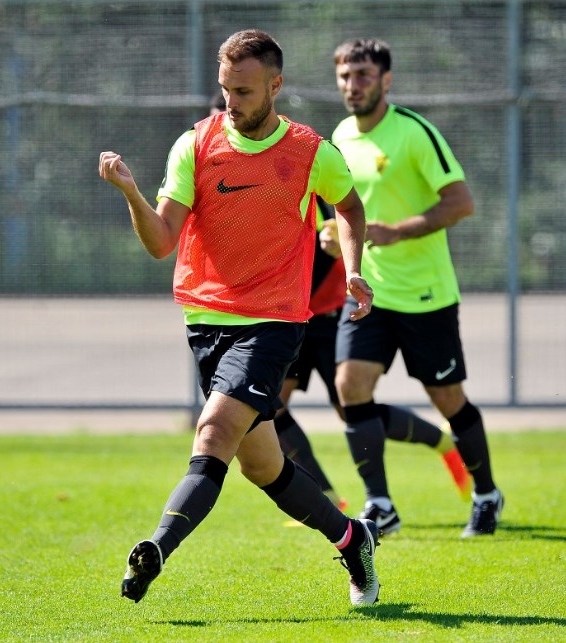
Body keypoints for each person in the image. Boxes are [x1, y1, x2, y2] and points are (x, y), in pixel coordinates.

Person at [99, 29, 380, 607]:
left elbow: (350, 206)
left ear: (275, 86)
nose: (231, 101)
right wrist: (131, 193)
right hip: (206, 323)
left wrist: (353, 267)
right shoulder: (195, 146)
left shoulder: (309, 151)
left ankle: (155, 549)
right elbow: (161, 242)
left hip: (274, 323)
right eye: (226, 89)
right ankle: (353, 540)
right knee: (264, 467)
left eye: (244, 91)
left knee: (213, 434)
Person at [207, 92, 471, 515]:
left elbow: (331, 238)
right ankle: (328, 498)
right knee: (266, 407)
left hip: (323, 315)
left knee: (353, 409)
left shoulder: (290, 164)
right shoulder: (223, 172)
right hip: (282, 316)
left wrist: (302, 285)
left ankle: (441, 443)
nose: (228, 128)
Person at [329, 38, 503, 538]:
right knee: (349, 386)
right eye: (345, 76)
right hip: (369, 292)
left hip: (426, 295)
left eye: (363, 75)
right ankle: (380, 504)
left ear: (386, 80)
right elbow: (345, 210)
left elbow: (461, 202)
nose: (353, 85)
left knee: (447, 397)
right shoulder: (340, 136)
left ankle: (486, 493)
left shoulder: (414, 132)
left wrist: (398, 231)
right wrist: (334, 238)